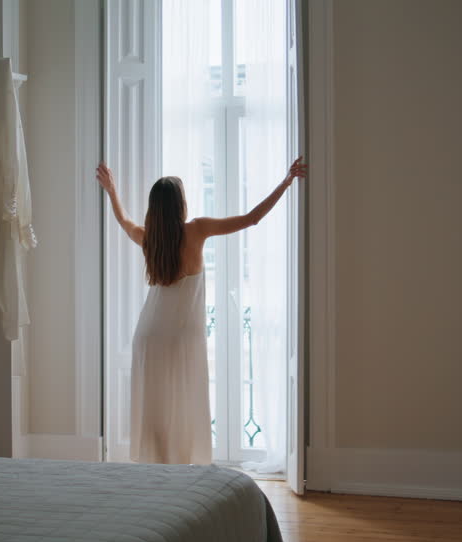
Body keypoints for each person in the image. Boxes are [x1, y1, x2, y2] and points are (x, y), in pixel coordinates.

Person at [96, 158, 307, 464]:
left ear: (155, 209)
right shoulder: (197, 230)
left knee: (155, 405)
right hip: (182, 335)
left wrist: (112, 191)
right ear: (180, 204)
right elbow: (252, 218)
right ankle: (184, 467)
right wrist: (285, 182)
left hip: (148, 334)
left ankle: (155, 467)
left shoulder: (148, 239)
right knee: (183, 403)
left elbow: (124, 220)